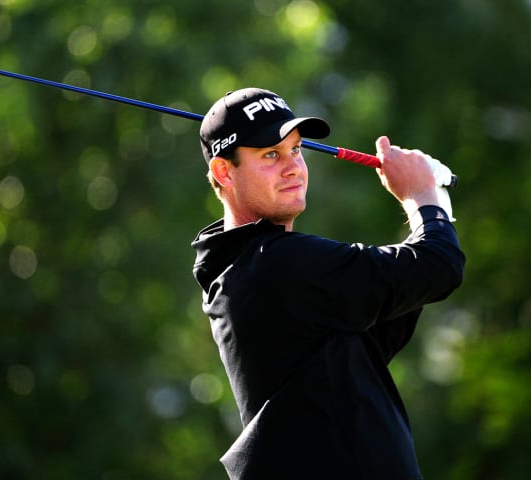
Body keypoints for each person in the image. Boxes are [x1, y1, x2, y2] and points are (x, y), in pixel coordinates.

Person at [191, 88, 465, 480]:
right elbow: (438, 268)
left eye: (296, 149)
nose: (293, 168)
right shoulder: (273, 263)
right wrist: (422, 196)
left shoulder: (256, 269)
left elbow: (396, 306)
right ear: (223, 171)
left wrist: (434, 206)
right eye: (270, 155)